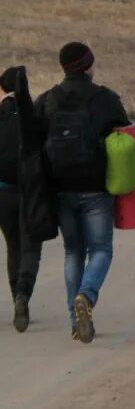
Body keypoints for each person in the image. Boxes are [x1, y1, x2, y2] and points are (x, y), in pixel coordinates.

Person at [34, 42, 131, 343]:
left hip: (61, 189)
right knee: (101, 249)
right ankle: (86, 297)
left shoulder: (47, 100)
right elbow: (125, 140)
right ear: (88, 65)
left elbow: (34, 142)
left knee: (73, 251)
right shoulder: (106, 98)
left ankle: (76, 323)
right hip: (95, 189)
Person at [0, 66, 42, 332]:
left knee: (12, 245)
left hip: (1, 191)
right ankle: (22, 296)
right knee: (28, 247)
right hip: (29, 190)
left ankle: (17, 294)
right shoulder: (32, 114)